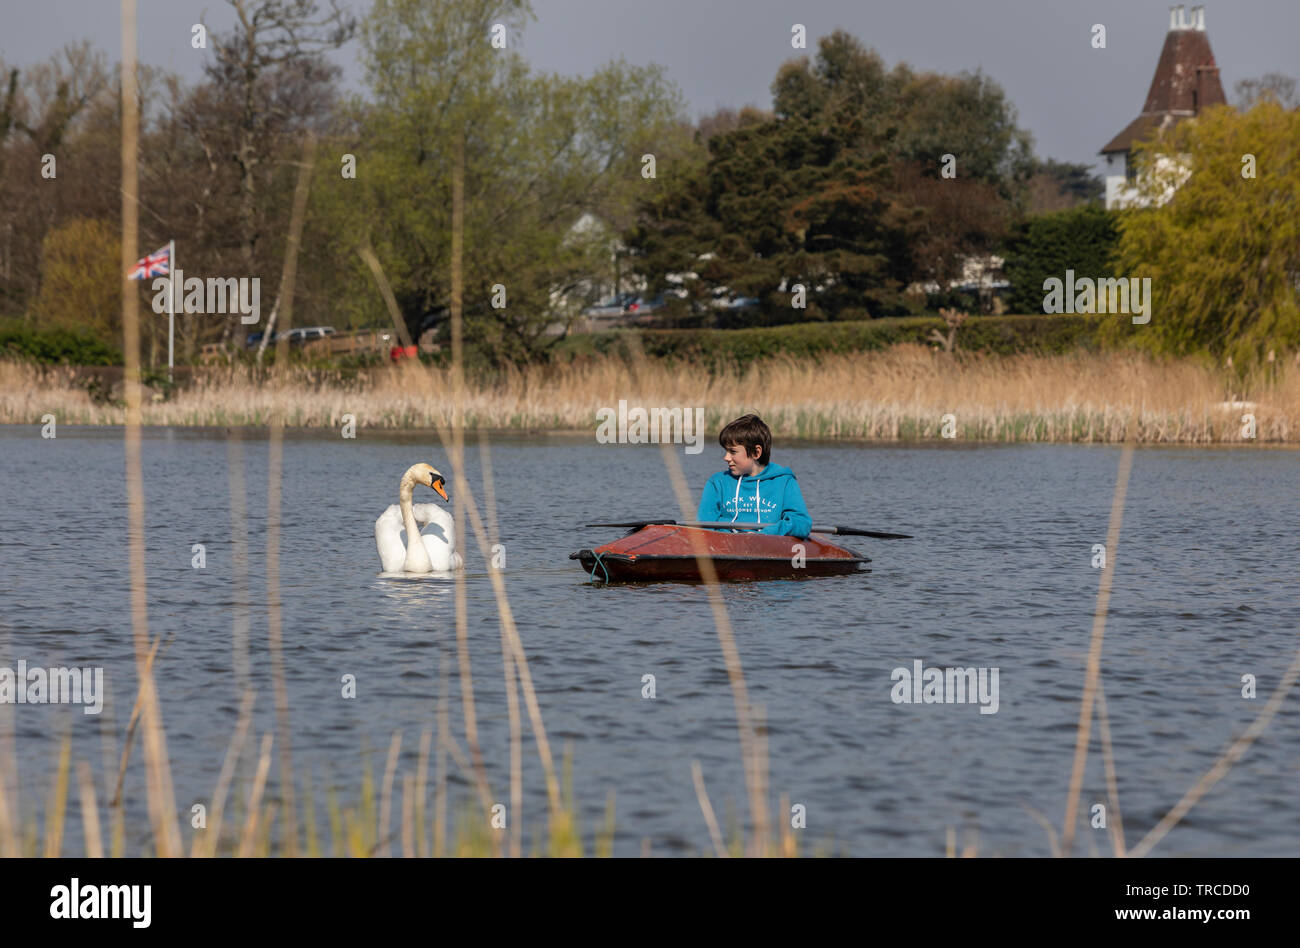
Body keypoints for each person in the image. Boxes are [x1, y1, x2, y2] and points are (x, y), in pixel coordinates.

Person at [696, 414, 812, 538]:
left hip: (768, 545)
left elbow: (801, 523)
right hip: (725, 544)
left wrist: (765, 534)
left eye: (733, 452)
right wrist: (735, 539)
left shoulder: (785, 481)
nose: (726, 457)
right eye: (726, 451)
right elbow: (704, 527)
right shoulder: (717, 482)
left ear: (756, 453)